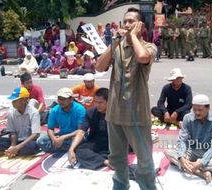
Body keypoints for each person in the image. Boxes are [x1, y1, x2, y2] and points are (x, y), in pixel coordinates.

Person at [95, 7, 158, 190]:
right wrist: (115, 41)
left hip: (137, 115)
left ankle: (147, 187)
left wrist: (135, 37)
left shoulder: (148, 46)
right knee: (116, 158)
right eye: (125, 21)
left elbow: (143, 57)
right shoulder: (117, 47)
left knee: (144, 160)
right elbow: (99, 67)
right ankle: (121, 186)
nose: (128, 24)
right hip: (114, 114)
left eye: (132, 21)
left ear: (140, 25)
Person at [164, 94, 212, 183]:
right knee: (167, 151)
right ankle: (199, 172)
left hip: (209, 154)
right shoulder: (187, 118)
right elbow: (183, 139)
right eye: (194, 109)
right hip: (191, 151)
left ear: (208, 108)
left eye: (200, 110)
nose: (197, 113)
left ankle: (188, 167)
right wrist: (181, 157)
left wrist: (202, 161)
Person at [68, 88, 110, 170]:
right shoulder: (91, 112)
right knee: (78, 150)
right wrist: (71, 149)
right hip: (96, 143)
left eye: (100, 102)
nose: (97, 105)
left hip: (113, 145)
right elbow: (81, 131)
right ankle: (105, 162)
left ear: (109, 102)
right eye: (95, 102)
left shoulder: (117, 114)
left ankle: (98, 159)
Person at [0, 87, 41, 157]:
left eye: (15, 100)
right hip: (16, 140)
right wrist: (13, 145)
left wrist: (18, 147)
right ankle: (14, 151)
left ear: (24, 100)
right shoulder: (11, 112)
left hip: (28, 141)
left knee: (31, 147)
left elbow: (35, 134)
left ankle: (11, 151)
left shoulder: (34, 112)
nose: (12, 102)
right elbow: (13, 132)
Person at [36, 88, 86, 152]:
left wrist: (63, 138)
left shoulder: (80, 109)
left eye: (64, 99)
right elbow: (50, 128)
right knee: (41, 141)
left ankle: (61, 147)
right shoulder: (54, 110)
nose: (61, 101)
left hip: (74, 135)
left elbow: (80, 130)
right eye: (59, 99)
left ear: (71, 99)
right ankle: (67, 147)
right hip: (62, 134)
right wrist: (54, 139)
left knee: (80, 140)